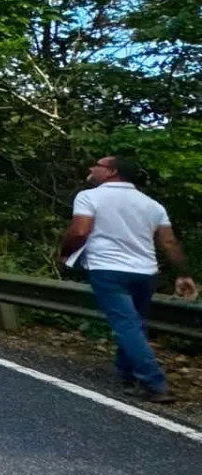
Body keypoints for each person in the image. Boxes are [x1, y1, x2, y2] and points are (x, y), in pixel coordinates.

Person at [58, 156, 198, 403]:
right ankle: (126, 373)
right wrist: (183, 274)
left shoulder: (89, 196)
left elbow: (80, 231)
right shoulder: (152, 205)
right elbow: (168, 242)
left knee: (126, 325)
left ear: (112, 172)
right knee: (135, 323)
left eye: (97, 165)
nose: (91, 168)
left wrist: (65, 252)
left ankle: (153, 383)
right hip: (145, 272)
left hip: (107, 269)